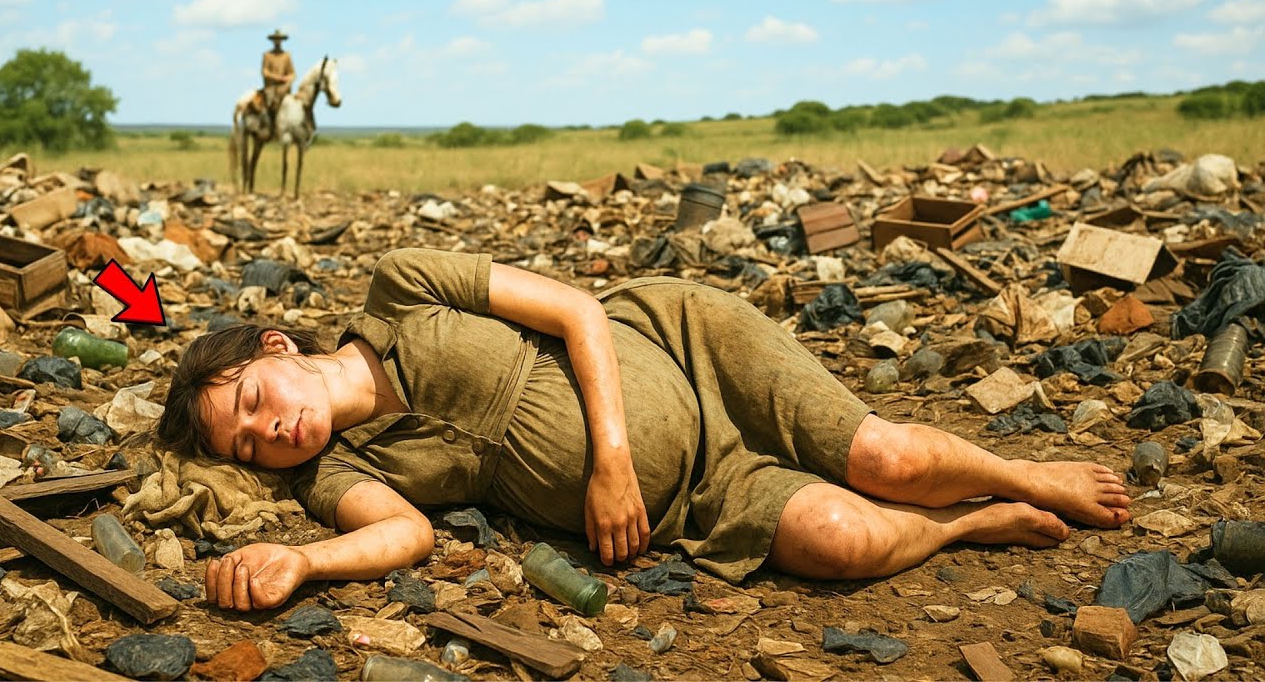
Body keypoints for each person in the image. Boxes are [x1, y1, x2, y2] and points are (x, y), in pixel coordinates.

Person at [156, 247, 1132, 612]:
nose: (267, 432)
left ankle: (1020, 468)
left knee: (889, 456)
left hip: (680, 346)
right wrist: (300, 561)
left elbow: (578, 311)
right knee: (844, 541)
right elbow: (405, 537)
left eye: (249, 401)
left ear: (276, 343)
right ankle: (970, 523)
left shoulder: (400, 288)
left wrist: (610, 463)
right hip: (695, 498)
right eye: (243, 445)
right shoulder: (335, 472)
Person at [260, 29, 295, 132]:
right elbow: (264, 72)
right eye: (276, 39)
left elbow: (292, 73)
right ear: (273, 41)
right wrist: (277, 77)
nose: (277, 41)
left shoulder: (287, 55)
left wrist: (288, 78)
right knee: (271, 104)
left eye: (279, 39)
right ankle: (271, 128)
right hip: (271, 87)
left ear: (282, 41)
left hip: (284, 87)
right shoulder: (267, 55)